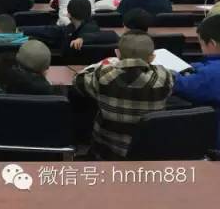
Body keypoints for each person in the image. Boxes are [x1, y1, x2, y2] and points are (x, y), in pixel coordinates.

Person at [73, 31, 174, 160]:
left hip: (106, 153)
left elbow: (78, 80)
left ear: (118, 53)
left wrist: (104, 63)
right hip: (149, 155)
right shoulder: (164, 76)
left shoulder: (103, 74)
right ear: (152, 58)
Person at [172, 15, 220, 149]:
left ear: (212, 43)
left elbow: (180, 85)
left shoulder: (210, 75)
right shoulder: (211, 71)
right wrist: (199, 66)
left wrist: (171, 72)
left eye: (201, 44)